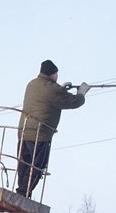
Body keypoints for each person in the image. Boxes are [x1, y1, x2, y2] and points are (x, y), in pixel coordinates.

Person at [16, 59, 89, 198]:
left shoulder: (31, 84)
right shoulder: (52, 89)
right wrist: (81, 93)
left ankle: (21, 190)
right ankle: (23, 193)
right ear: (53, 74)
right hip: (40, 133)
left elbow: (47, 96)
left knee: (24, 164)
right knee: (37, 165)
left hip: (24, 131)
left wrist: (60, 89)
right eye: (56, 73)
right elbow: (72, 102)